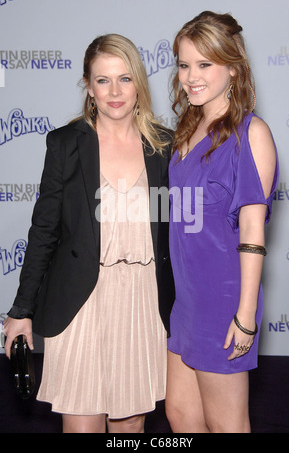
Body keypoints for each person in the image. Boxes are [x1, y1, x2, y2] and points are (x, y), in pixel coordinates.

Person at [3, 34, 174, 433]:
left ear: (139, 84)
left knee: (130, 428)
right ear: (88, 86)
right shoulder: (65, 144)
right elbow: (44, 229)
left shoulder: (163, 146)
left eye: (125, 78)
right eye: (103, 80)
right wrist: (20, 311)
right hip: (80, 302)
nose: (115, 91)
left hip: (142, 302)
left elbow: (177, 233)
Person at [165, 11, 279, 433]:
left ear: (233, 67)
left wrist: (245, 315)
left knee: (226, 425)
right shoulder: (188, 126)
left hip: (223, 300)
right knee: (180, 416)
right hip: (186, 299)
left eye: (204, 64)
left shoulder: (251, 133)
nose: (191, 77)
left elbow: (252, 230)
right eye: (184, 64)